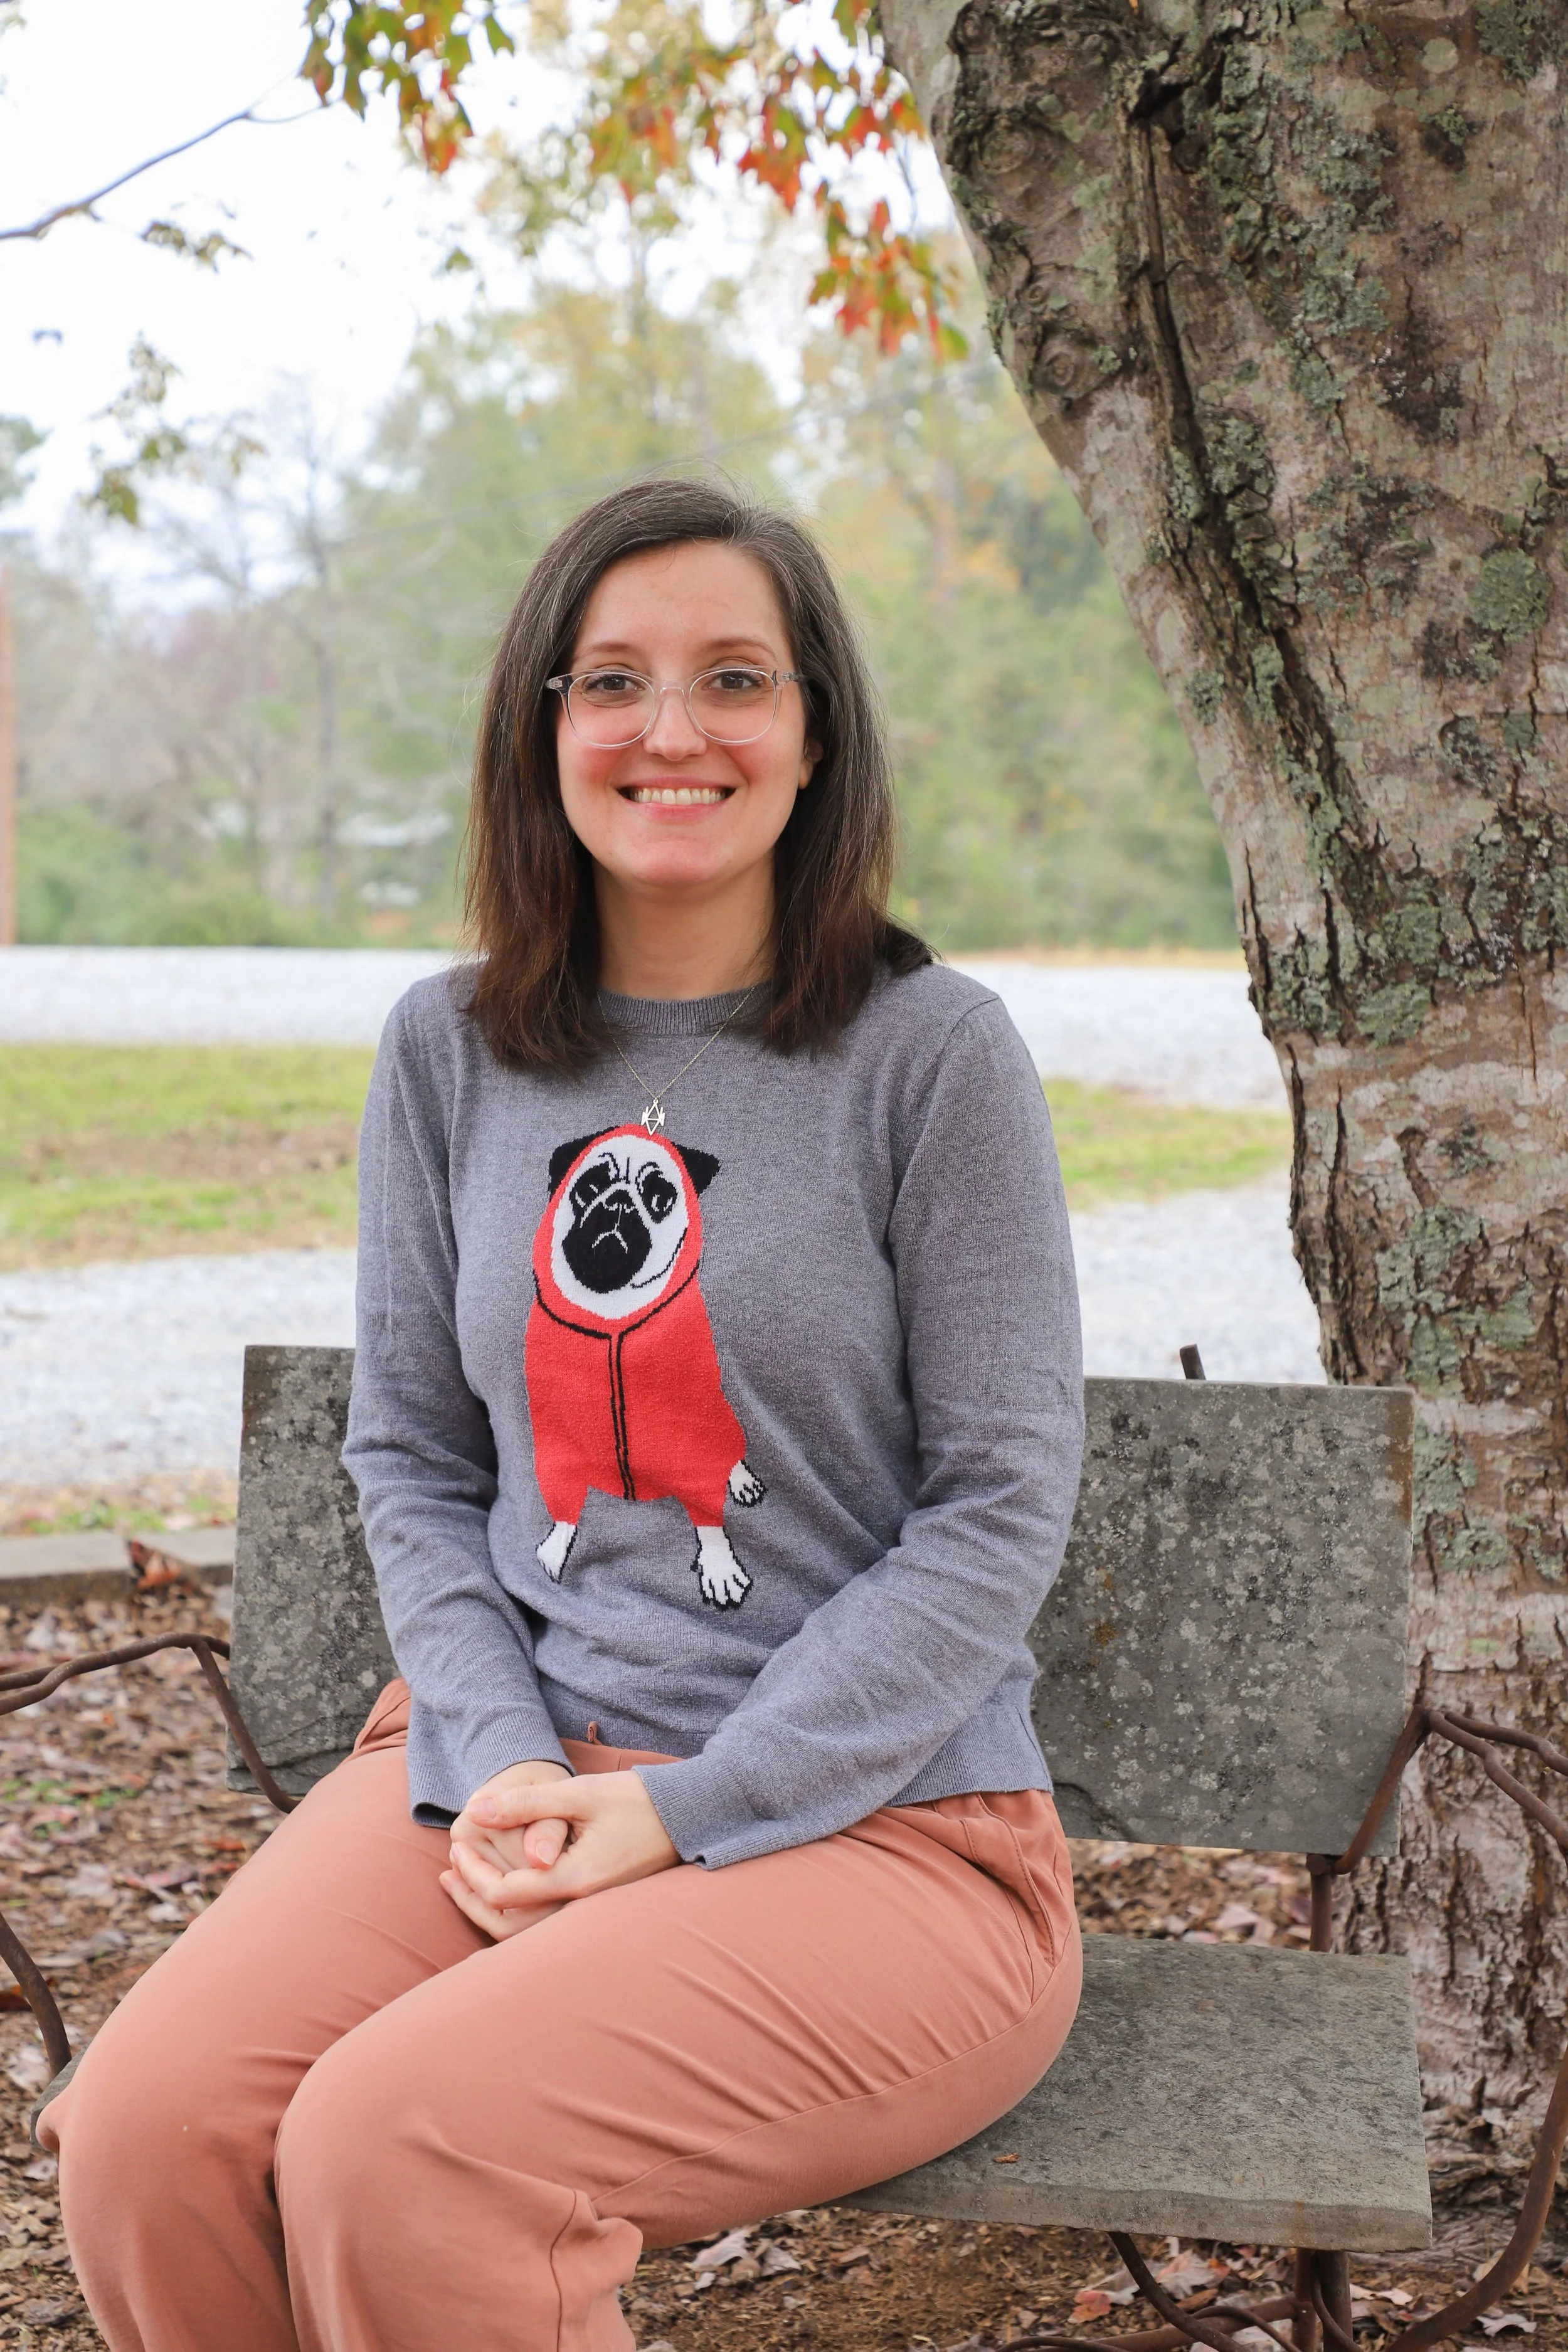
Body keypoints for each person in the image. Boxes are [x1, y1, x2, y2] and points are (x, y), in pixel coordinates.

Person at [41, 475, 1086, 2352]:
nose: (669, 729)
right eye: (611, 678)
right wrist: (510, 1755)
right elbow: (415, 1459)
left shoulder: (928, 1055)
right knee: (143, 2135)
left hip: (883, 1825)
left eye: (733, 678)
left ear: (815, 731)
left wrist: (685, 1811)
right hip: (506, 1767)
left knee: (403, 2150)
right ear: (542, 728)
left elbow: (1001, 1511)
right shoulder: (451, 1046)